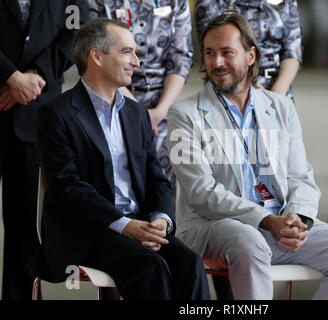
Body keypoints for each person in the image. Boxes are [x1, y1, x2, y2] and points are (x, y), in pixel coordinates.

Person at [167, 13, 328, 300]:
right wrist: (267, 221)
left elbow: (300, 176)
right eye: (209, 53)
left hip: (281, 224)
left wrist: (297, 218)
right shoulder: (185, 114)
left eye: (227, 52)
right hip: (213, 226)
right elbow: (200, 193)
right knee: (250, 240)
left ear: (250, 55)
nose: (216, 63)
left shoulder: (281, 107)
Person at [34, 18, 210, 300]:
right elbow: (67, 188)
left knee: (189, 264)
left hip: (140, 227)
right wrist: (124, 225)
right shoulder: (55, 114)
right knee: (150, 267)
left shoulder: (136, 114)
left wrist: (160, 220)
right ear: (97, 56)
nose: (137, 62)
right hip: (87, 232)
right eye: (127, 51)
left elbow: (157, 178)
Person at [0, 0, 88, 300]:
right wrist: (11, 77)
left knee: (27, 229)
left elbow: (75, 30)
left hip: (38, 116)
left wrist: (35, 76)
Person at [87, 0, 194, 196]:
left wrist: (159, 112)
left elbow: (182, 58)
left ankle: (163, 224)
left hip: (162, 104)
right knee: (115, 174)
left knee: (166, 171)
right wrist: (139, 112)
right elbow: (94, 56)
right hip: (112, 96)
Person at [194, 0, 302, 99]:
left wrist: (279, 92)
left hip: (280, 91)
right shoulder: (211, 3)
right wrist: (264, 96)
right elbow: (214, 51)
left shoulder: (286, 2)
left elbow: (292, 51)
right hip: (234, 89)